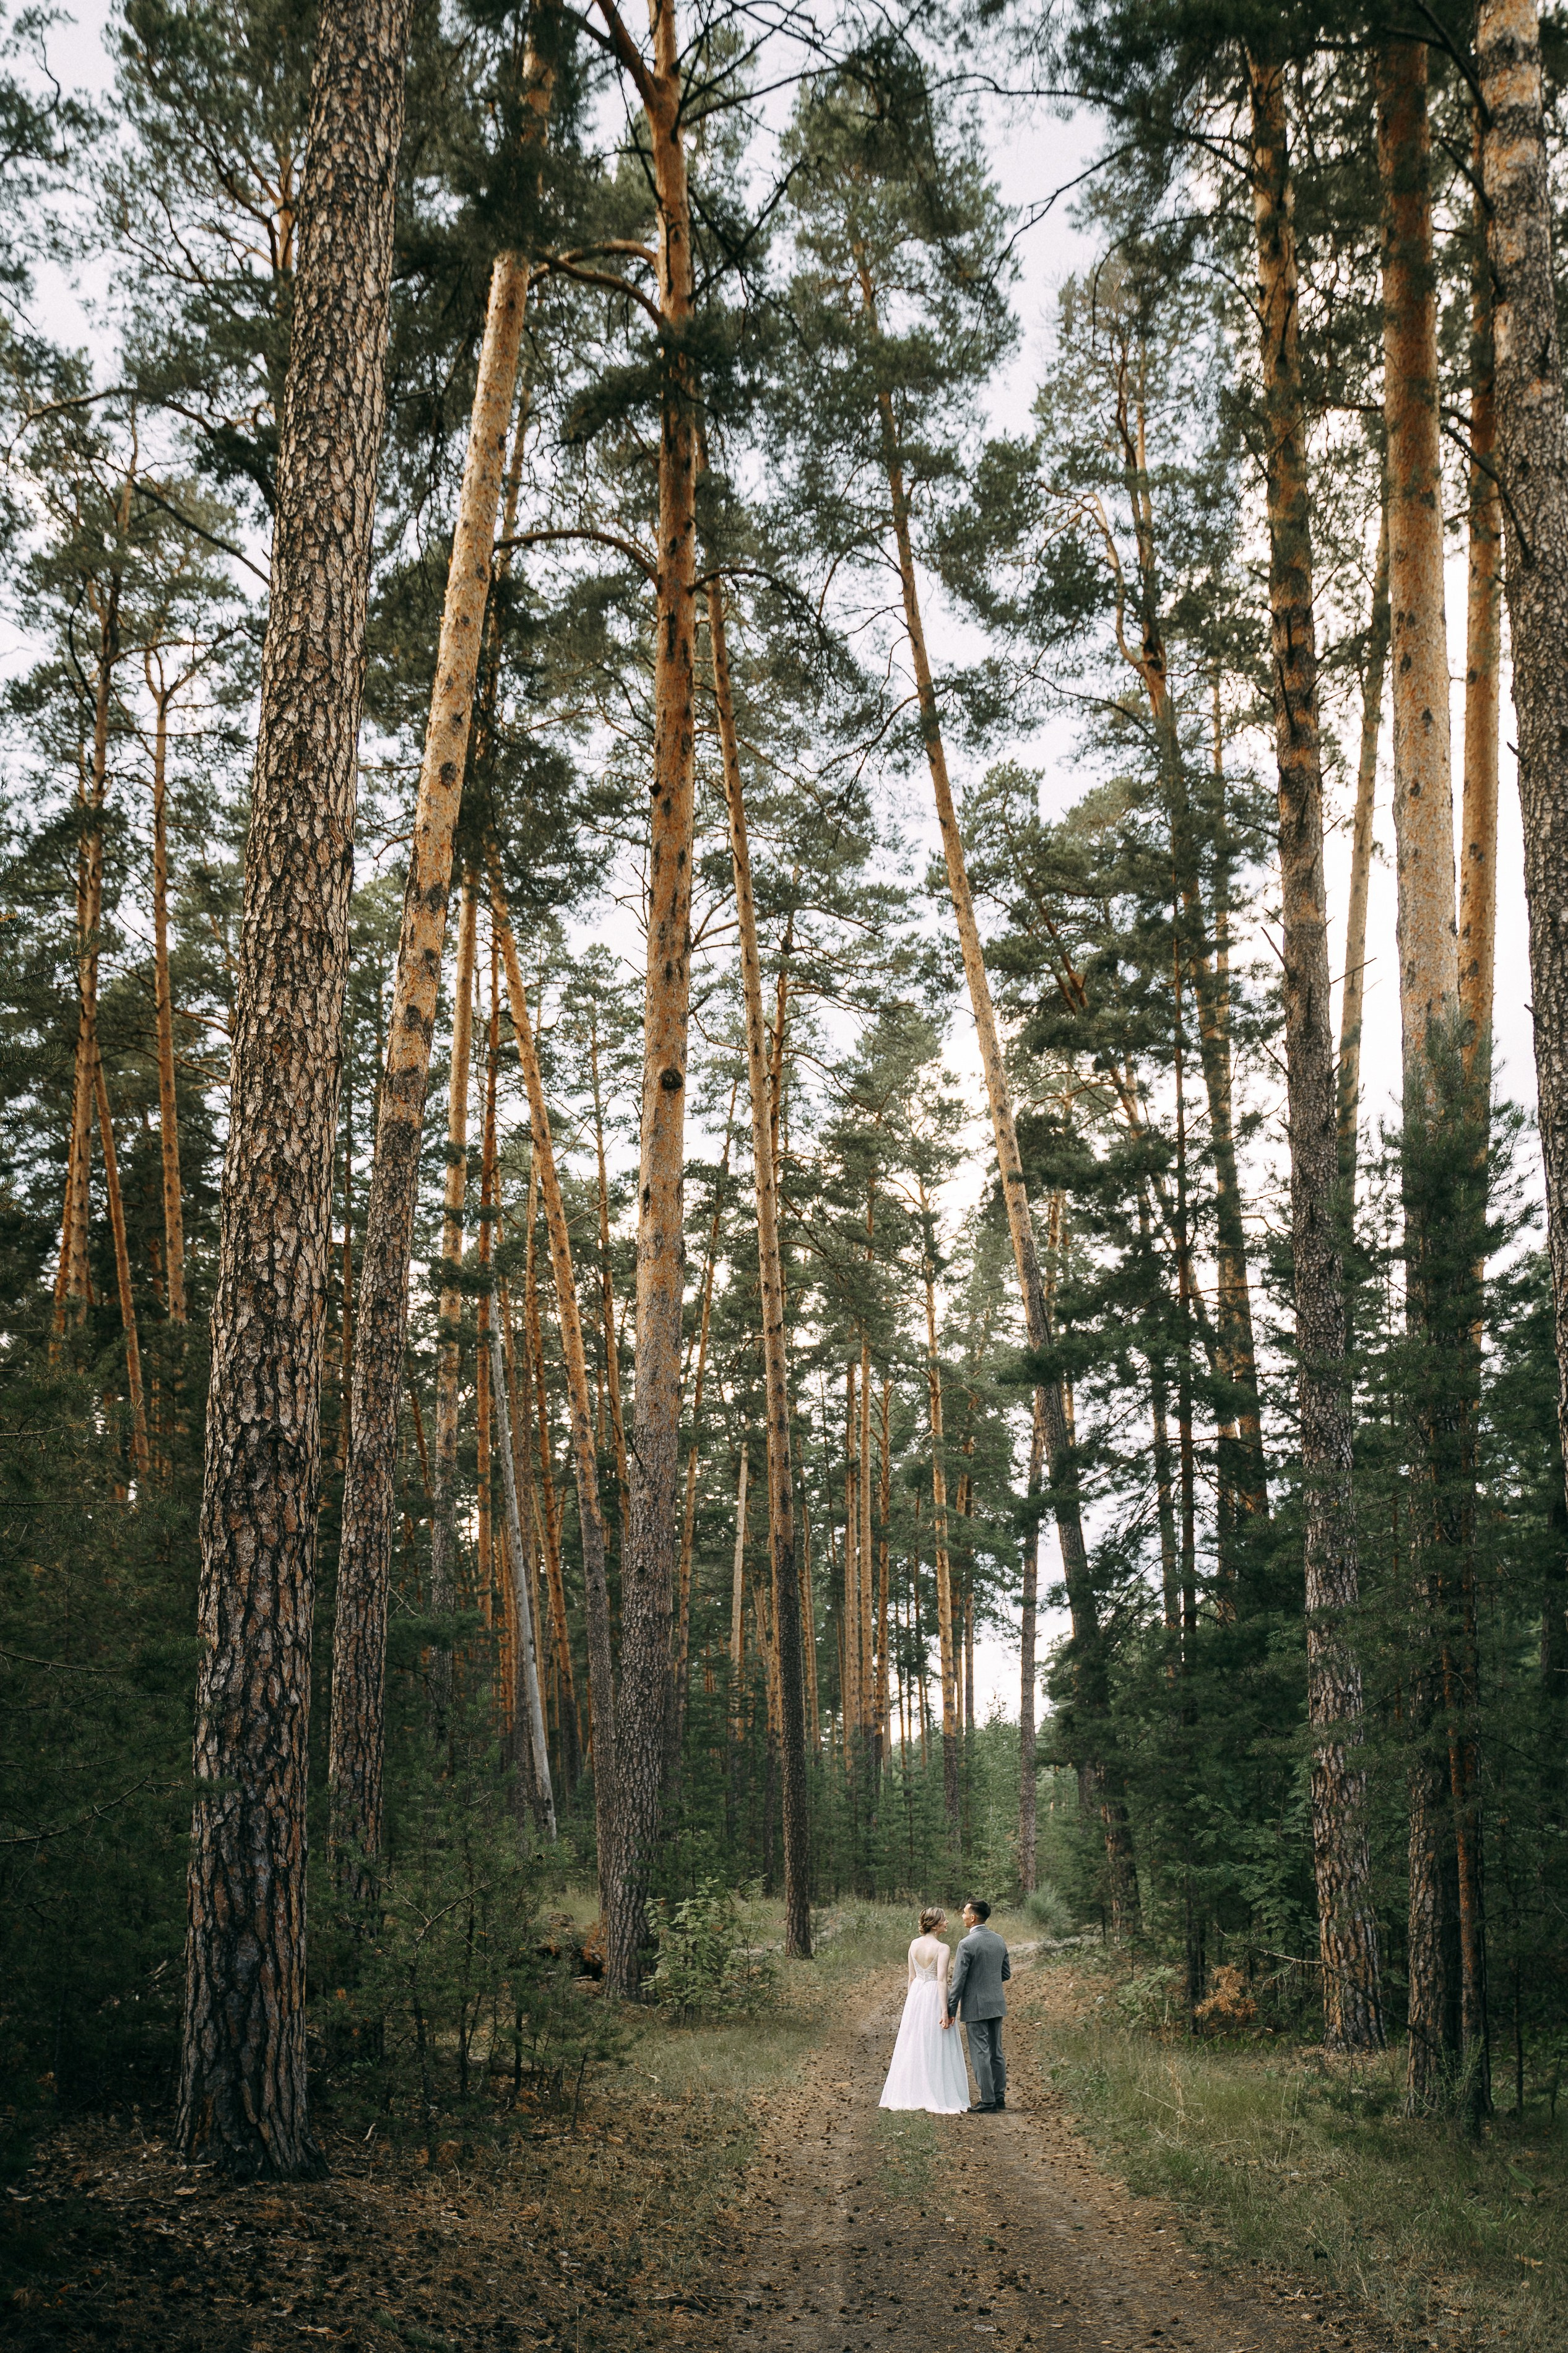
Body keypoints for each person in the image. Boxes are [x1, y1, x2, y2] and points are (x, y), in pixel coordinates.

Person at [878, 1906, 973, 2115]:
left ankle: (912, 2091)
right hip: (932, 1995)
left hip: (917, 1995)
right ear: (936, 1924)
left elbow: (912, 1977)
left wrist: (911, 2004)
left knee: (915, 2041)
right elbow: (941, 1981)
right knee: (935, 2041)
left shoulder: (914, 1944)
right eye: (945, 1920)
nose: (948, 1922)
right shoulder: (943, 1948)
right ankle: (936, 2091)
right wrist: (945, 2011)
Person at [943, 1898, 1010, 2112]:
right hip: (996, 2003)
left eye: (964, 1913)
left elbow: (958, 1982)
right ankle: (999, 2098)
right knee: (996, 2052)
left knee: (980, 2052)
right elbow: (1006, 1973)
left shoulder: (967, 1944)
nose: (962, 1916)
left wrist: (951, 2010)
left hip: (976, 2005)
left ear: (973, 1918)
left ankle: (988, 2101)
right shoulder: (999, 1940)